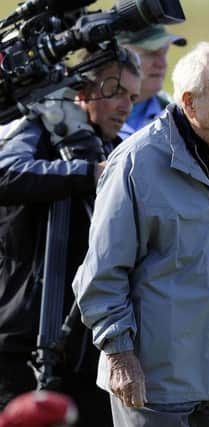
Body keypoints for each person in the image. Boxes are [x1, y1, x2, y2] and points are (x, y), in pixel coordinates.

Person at [71, 42, 209, 427]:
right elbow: (101, 275)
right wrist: (120, 356)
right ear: (190, 102)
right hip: (152, 387)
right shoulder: (135, 162)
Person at [0, 46, 141, 426]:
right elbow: (6, 175)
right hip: (22, 344)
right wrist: (88, 174)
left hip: (89, 350)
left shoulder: (118, 148)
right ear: (81, 91)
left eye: (132, 96)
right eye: (115, 91)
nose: (125, 106)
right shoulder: (35, 131)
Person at [117, 24, 187, 139]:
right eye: (151, 53)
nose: (162, 64)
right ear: (120, 53)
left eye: (164, 52)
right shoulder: (84, 113)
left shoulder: (178, 116)